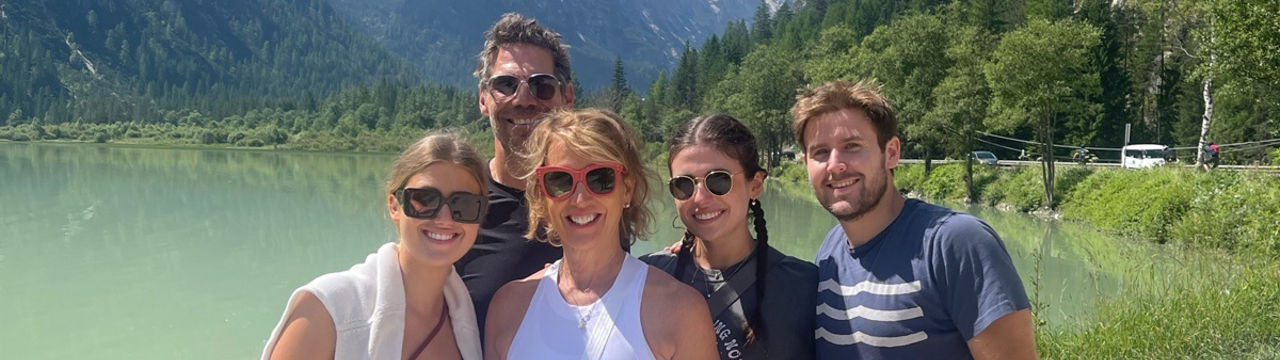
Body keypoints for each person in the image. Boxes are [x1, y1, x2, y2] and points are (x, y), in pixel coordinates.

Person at [792, 81, 1035, 359]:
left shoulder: (955, 243)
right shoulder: (830, 250)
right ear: (806, 164)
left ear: (891, 153)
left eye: (852, 146)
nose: (835, 164)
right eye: (821, 152)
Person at [484, 108, 718, 359]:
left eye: (600, 179)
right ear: (542, 195)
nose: (580, 198)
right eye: (560, 181)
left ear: (627, 189)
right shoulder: (508, 308)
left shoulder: (680, 311)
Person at [263, 133, 488, 360]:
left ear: (481, 215)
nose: (445, 219)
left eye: (465, 204)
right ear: (394, 206)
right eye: (425, 199)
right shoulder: (329, 309)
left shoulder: (467, 320)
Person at [640, 114, 817, 360]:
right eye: (684, 184)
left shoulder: (803, 286)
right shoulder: (648, 276)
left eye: (719, 180)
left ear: (755, 185)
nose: (700, 198)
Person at [454, 13, 576, 337]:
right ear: (484, 99)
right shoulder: (456, 205)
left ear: (567, 98)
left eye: (542, 86)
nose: (523, 100)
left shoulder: (596, 195)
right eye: (506, 85)